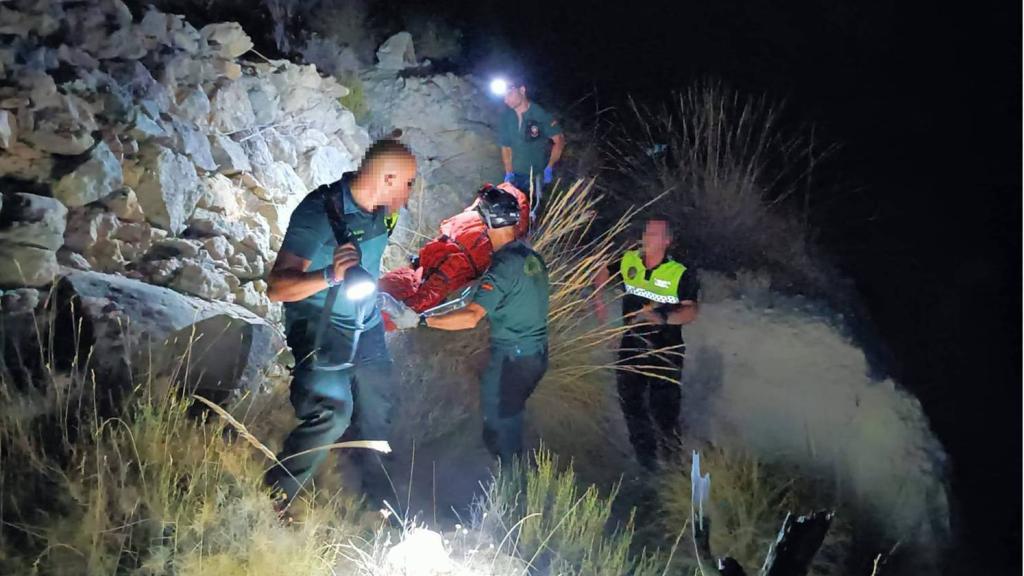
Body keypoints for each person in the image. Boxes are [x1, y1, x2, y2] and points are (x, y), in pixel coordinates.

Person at [264, 139, 417, 504]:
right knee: (332, 412)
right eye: (408, 183)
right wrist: (330, 275)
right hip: (321, 324)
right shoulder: (319, 213)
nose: (411, 192)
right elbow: (277, 288)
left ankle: (374, 497)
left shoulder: (384, 211)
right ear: (387, 177)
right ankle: (274, 498)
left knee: (379, 406)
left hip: (366, 325)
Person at [381, 185, 550, 462]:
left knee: (499, 429)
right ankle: (507, 471)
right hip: (536, 355)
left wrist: (420, 321)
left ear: (491, 224)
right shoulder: (530, 257)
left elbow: (471, 316)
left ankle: (509, 491)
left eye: (483, 222)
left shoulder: (502, 267)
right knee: (507, 419)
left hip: (513, 357)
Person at [594, 218, 699, 471]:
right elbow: (603, 273)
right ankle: (647, 463)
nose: (647, 237)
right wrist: (600, 304)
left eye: (655, 234)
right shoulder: (630, 261)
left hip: (666, 350)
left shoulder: (680, 272)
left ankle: (672, 463)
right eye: (646, 232)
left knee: (664, 412)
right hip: (630, 347)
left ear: (667, 241)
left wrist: (661, 317)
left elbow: (691, 311)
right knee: (631, 405)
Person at [497, 77, 566, 218]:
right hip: (515, 174)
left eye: (509, 94)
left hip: (535, 175)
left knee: (532, 212)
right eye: (503, 97)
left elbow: (559, 140)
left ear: (522, 90)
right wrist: (508, 173)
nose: (506, 100)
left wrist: (549, 167)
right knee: (512, 212)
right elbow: (506, 147)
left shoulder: (540, 114)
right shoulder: (506, 117)